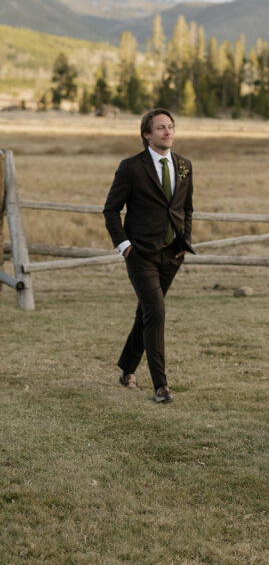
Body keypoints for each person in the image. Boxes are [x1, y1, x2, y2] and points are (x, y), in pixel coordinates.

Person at [104, 108, 194, 403]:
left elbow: (186, 208)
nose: (168, 132)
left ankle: (126, 369)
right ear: (146, 134)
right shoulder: (131, 167)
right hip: (140, 255)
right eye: (160, 128)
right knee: (155, 311)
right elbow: (111, 210)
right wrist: (125, 246)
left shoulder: (184, 165)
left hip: (172, 255)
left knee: (146, 313)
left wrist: (184, 242)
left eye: (170, 127)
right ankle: (161, 386)